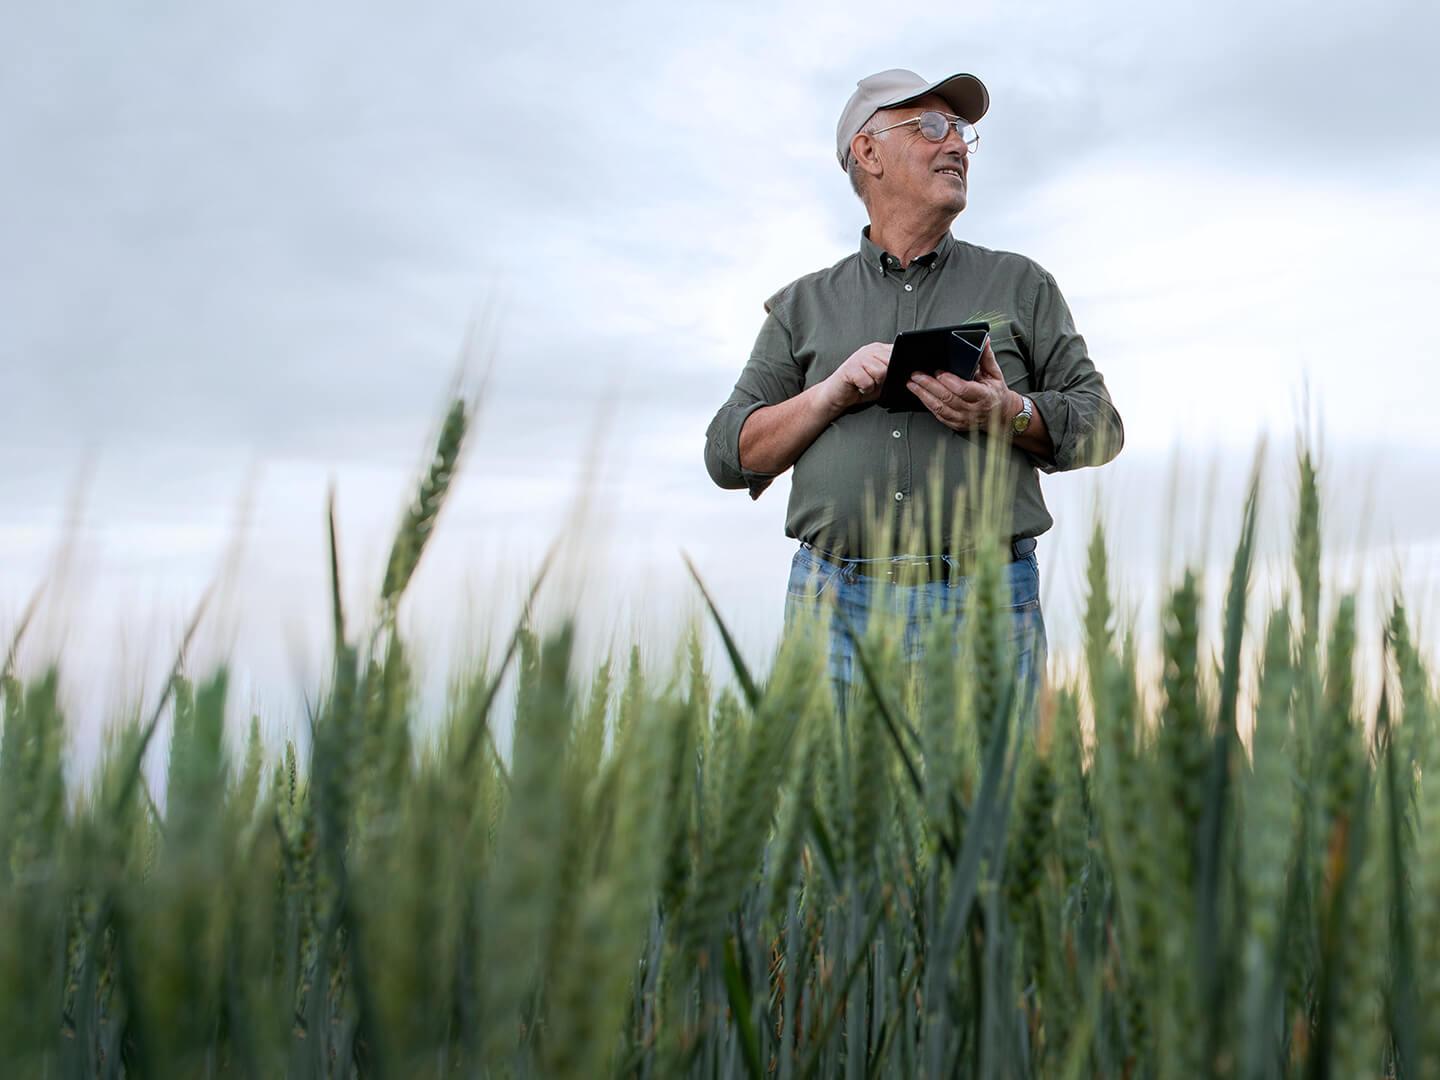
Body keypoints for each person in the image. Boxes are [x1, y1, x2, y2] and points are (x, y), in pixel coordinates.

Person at [703, 68, 1123, 708]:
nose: (955, 143)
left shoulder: (1023, 285)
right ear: (866, 152)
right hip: (833, 604)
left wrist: (1007, 411)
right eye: (931, 126)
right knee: (839, 809)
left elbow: (1102, 426)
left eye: (960, 132)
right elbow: (729, 454)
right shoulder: (802, 307)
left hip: (990, 603)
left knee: (994, 809)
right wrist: (831, 394)